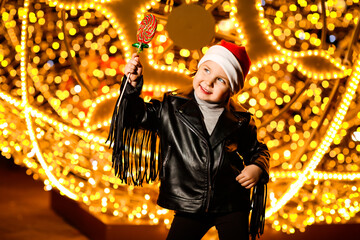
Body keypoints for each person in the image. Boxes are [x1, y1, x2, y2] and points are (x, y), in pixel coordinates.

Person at [107, 40, 270, 240]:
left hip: (231, 202)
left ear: (232, 89)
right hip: (190, 201)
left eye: (221, 80)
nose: (208, 82)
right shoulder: (171, 107)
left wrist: (257, 167)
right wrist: (131, 86)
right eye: (206, 70)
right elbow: (135, 116)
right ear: (198, 69)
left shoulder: (241, 120)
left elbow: (258, 150)